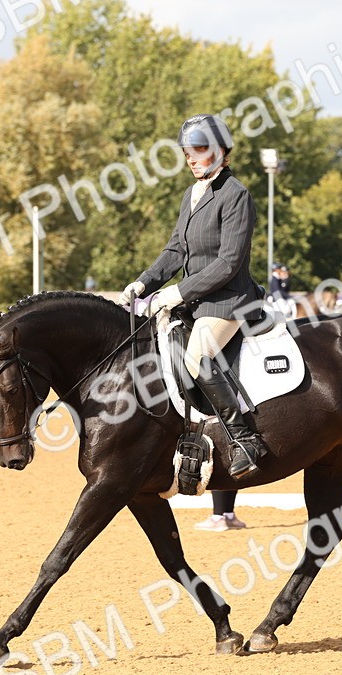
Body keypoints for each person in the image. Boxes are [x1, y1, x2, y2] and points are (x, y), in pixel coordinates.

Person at [119, 113, 268, 480]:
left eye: (199, 150)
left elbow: (228, 263)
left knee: (197, 356)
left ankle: (244, 438)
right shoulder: (192, 194)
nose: (191, 158)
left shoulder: (236, 196)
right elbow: (175, 251)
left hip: (228, 300)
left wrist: (176, 292)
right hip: (196, 301)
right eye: (187, 151)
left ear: (220, 152)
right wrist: (144, 284)